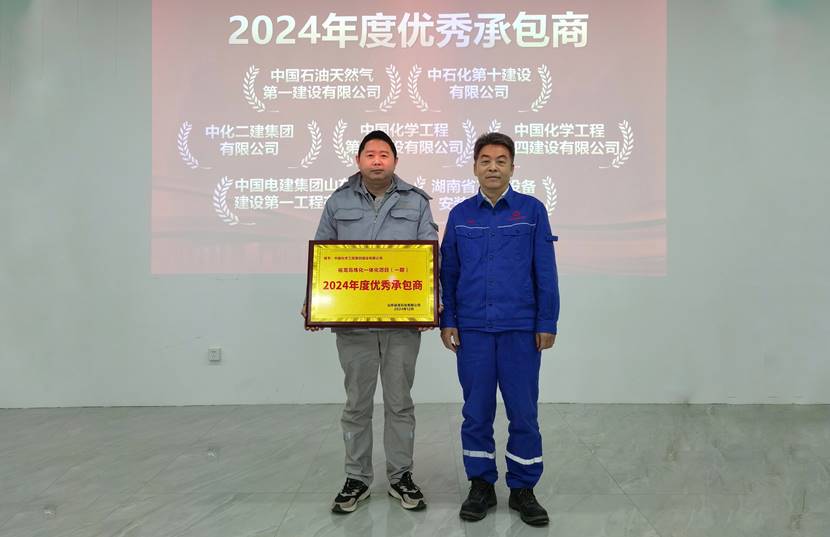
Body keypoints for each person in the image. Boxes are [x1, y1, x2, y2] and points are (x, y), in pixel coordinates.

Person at [302, 130, 438, 513]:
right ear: (358, 160)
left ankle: (401, 476)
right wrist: (313, 303)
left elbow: (431, 255)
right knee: (357, 404)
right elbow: (323, 255)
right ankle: (357, 478)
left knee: (400, 404)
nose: (377, 160)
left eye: (384, 154)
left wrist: (432, 302)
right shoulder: (338, 201)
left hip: (402, 323)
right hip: (353, 325)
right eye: (370, 154)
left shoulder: (416, 202)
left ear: (395, 160)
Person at [439, 132, 559, 526]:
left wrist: (547, 321)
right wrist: (448, 320)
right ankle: (481, 485)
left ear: (512, 167)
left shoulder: (532, 211)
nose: (493, 167)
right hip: (473, 330)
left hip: (520, 329)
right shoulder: (460, 215)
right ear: (475, 167)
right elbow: (449, 272)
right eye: (486, 160)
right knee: (476, 412)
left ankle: (524, 488)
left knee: (523, 412)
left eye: (501, 161)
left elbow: (545, 270)